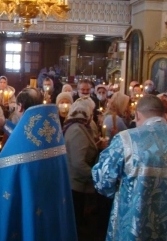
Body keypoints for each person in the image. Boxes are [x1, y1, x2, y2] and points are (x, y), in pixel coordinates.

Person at [0, 88, 77, 240]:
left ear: (20, 107)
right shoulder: (52, 133)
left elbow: (0, 173)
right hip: (52, 207)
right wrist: (4, 123)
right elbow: (27, 141)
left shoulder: (21, 149)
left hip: (30, 206)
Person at [92, 95, 167, 240]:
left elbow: (102, 180)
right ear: (164, 115)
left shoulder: (126, 139)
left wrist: (120, 190)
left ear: (137, 114)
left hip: (133, 226)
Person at [63, 99, 98, 234]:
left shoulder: (77, 127)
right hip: (76, 184)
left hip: (77, 183)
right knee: (78, 226)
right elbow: (78, 162)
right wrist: (95, 175)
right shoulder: (77, 130)